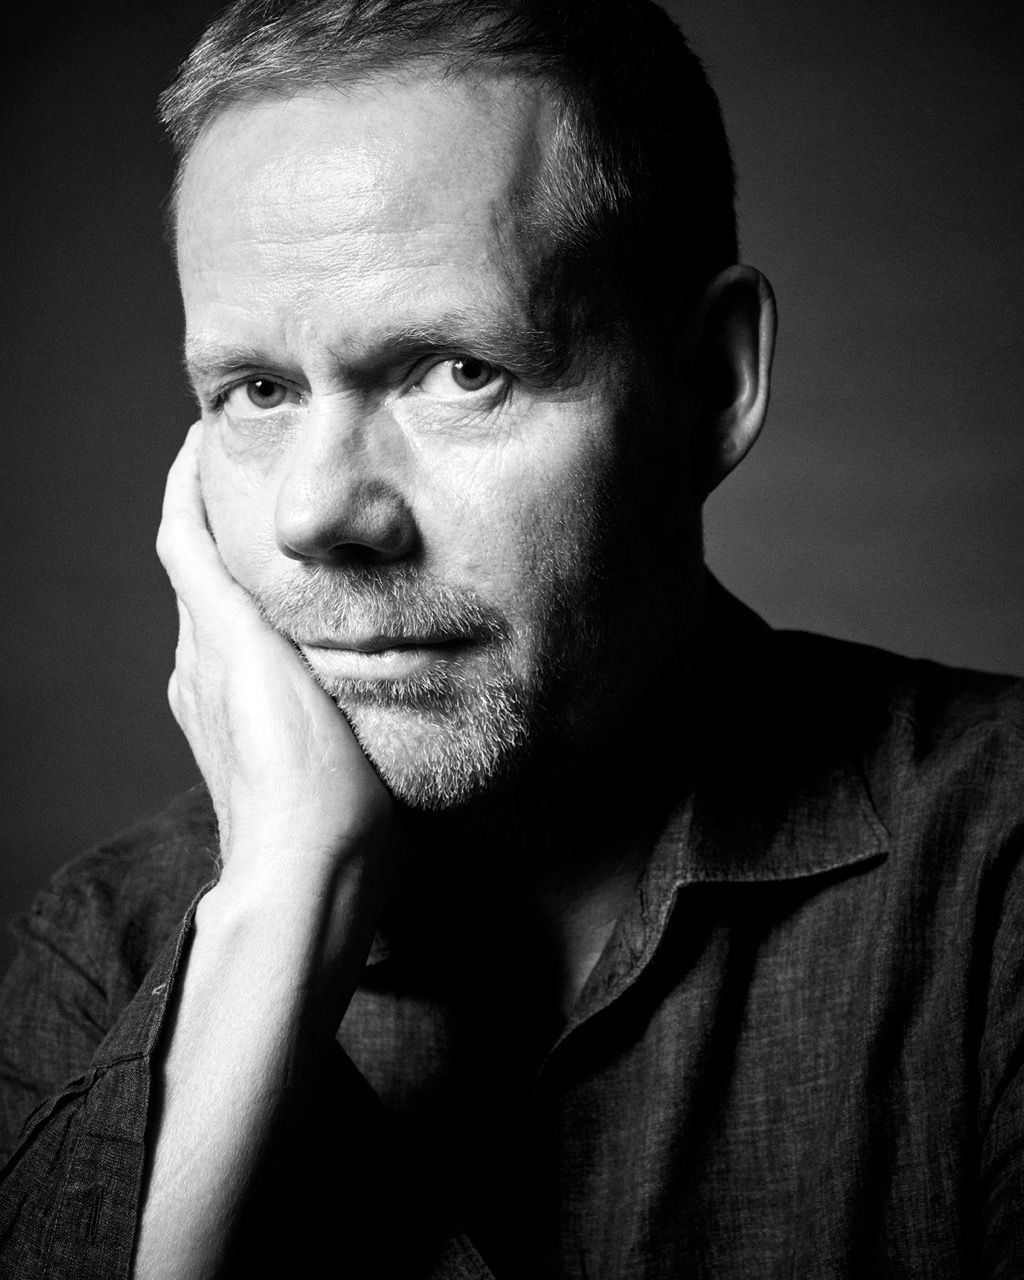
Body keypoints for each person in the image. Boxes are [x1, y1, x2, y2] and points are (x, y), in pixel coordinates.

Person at [1, 0, 1021, 1276]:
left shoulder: (998, 868)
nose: (318, 514)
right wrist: (279, 902)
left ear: (708, 381)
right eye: (257, 391)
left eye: (458, 370)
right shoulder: (104, 945)